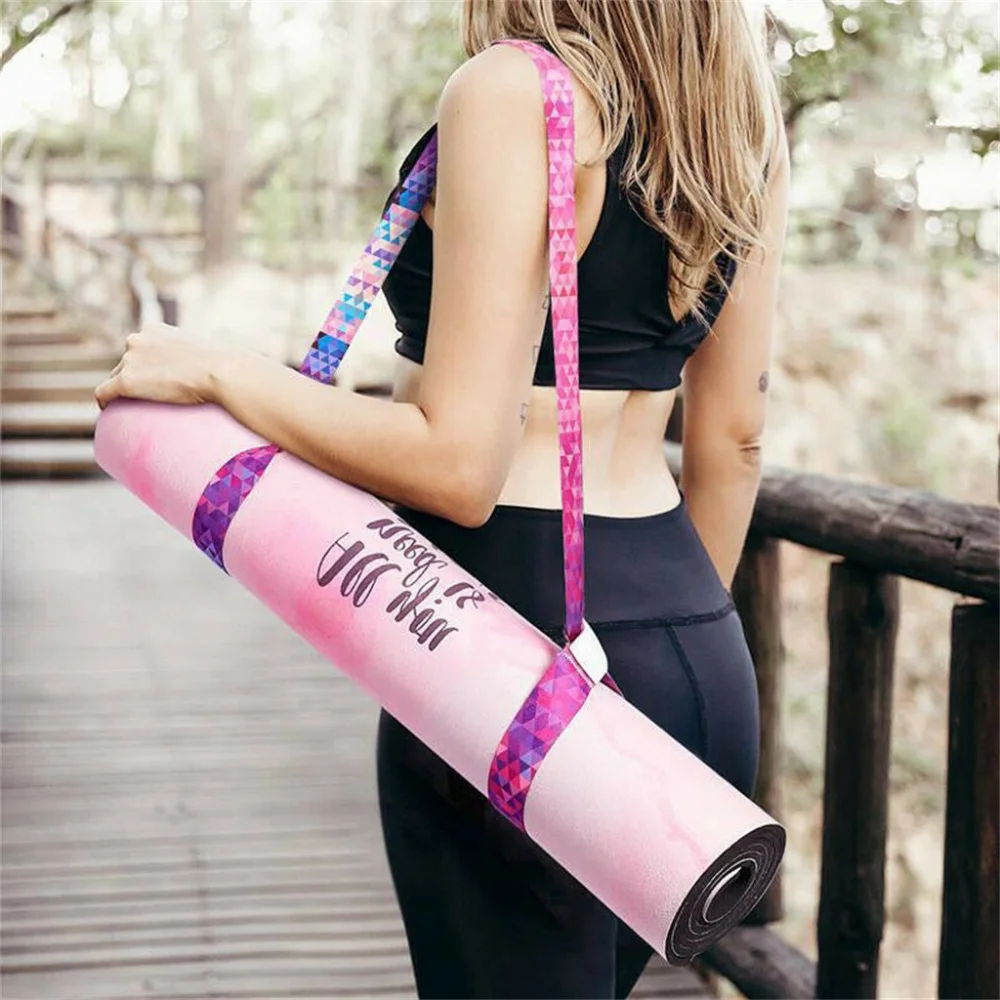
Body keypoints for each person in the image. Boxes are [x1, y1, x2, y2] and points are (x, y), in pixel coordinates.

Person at [95, 1, 789, 996]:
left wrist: (219, 370)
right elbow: (733, 442)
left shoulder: (516, 91)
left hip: (509, 651)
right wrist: (639, 685)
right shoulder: (736, 123)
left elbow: (459, 464)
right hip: (695, 648)